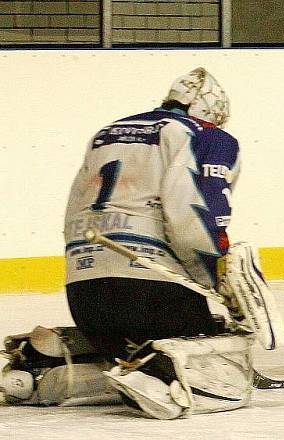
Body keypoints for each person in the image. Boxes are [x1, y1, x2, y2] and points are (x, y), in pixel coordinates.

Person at [1, 68, 262, 419]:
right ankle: (163, 379)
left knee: (124, 346)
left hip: (85, 293)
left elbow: (72, 214)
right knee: (223, 369)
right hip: (154, 289)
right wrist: (213, 280)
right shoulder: (207, 136)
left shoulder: (105, 134)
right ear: (211, 111)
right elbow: (193, 215)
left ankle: (47, 372)